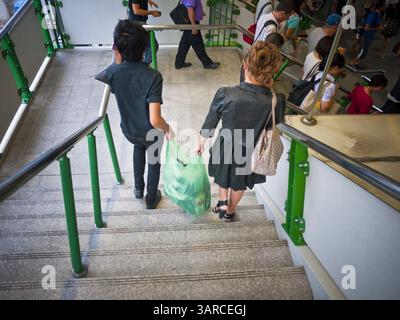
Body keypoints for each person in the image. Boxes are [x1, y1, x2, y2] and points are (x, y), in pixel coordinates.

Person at [196, 42, 286, 222]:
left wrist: (200, 143)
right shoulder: (277, 100)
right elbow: (272, 127)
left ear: (245, 64)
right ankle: (229, 211)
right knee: (239, 184)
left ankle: (222, 201)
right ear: (272, 71)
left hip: (225, 145)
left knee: (222, 175)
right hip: (250, 151)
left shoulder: (226, 94)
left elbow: (210, 124)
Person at [106, 20, 174, 209]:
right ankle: (151, 199)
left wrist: (117, 60)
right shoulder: (153, 76)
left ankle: (138, 189)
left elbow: (111, 85)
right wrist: (168, 129)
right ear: (145, 48)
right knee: (153, 161)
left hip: (129, 129)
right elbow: (155, 119)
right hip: (150, 132)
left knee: (138, 148)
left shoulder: (113, 73)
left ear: (117, 48)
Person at [175, 0, 220, 69]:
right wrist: (194, 26)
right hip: (192, 22)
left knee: (184, 44)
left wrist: (200, 12)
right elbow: (190, 9)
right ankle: (207, 63)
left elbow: (192, 5)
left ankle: (179, 63)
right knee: (198, 44)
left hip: (189, 21)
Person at [351, 1, 386, 68]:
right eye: (384, 6)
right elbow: (366, 28)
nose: (385, 7)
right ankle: (353, 62)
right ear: (380, 7)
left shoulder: (378, 14)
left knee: (364, 50)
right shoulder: (373, 15)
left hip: (369, 36)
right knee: (362, 50)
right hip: (365, 35)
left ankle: (357, 62)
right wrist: (378, 27)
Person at [128, 0, 161, 65]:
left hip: (139, 22)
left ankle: (143, 64)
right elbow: (136, 11)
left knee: (145, 45)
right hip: (137, 24)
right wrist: (152, 12)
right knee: (153, 45)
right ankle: (144, 66)